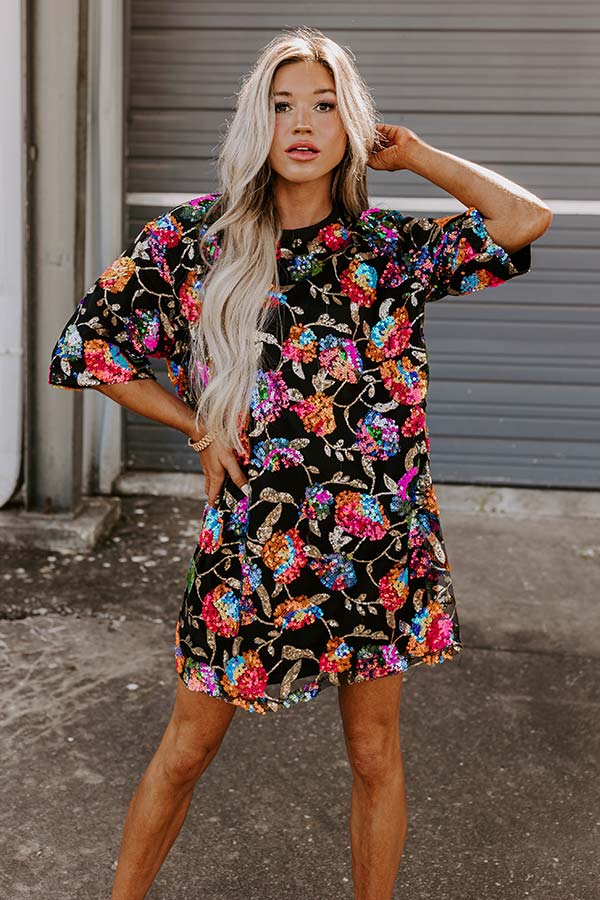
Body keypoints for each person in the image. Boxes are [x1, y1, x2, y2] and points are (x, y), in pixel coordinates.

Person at [47, 24, 552, 900]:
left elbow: (523, 220)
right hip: (252, 547)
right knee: (187, 749)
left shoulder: (385, 250)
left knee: (374, 752)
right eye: (283, 106)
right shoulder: (196, 240)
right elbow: (91, 347)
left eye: (325, 105)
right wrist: (200, 428)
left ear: (351, 124)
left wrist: (414, 154)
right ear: (259, 120)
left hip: (374, 547)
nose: (303, 124)